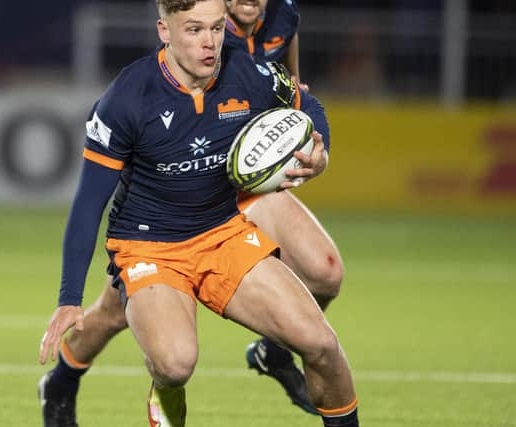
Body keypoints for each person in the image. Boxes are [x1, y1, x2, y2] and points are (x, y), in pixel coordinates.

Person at [39, 0, 359, 425]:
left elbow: (304, 103)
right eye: (193, 30)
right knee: (174, 362)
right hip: (149, 247)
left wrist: (320, 152)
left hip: (221, 231)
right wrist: (67, 299)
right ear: (164, 31)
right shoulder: (128, 97)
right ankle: (130, 384)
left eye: (215, 29)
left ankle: (279, 362)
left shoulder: (248, 71)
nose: (209, 43)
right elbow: (87, 205)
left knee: (320, 343)